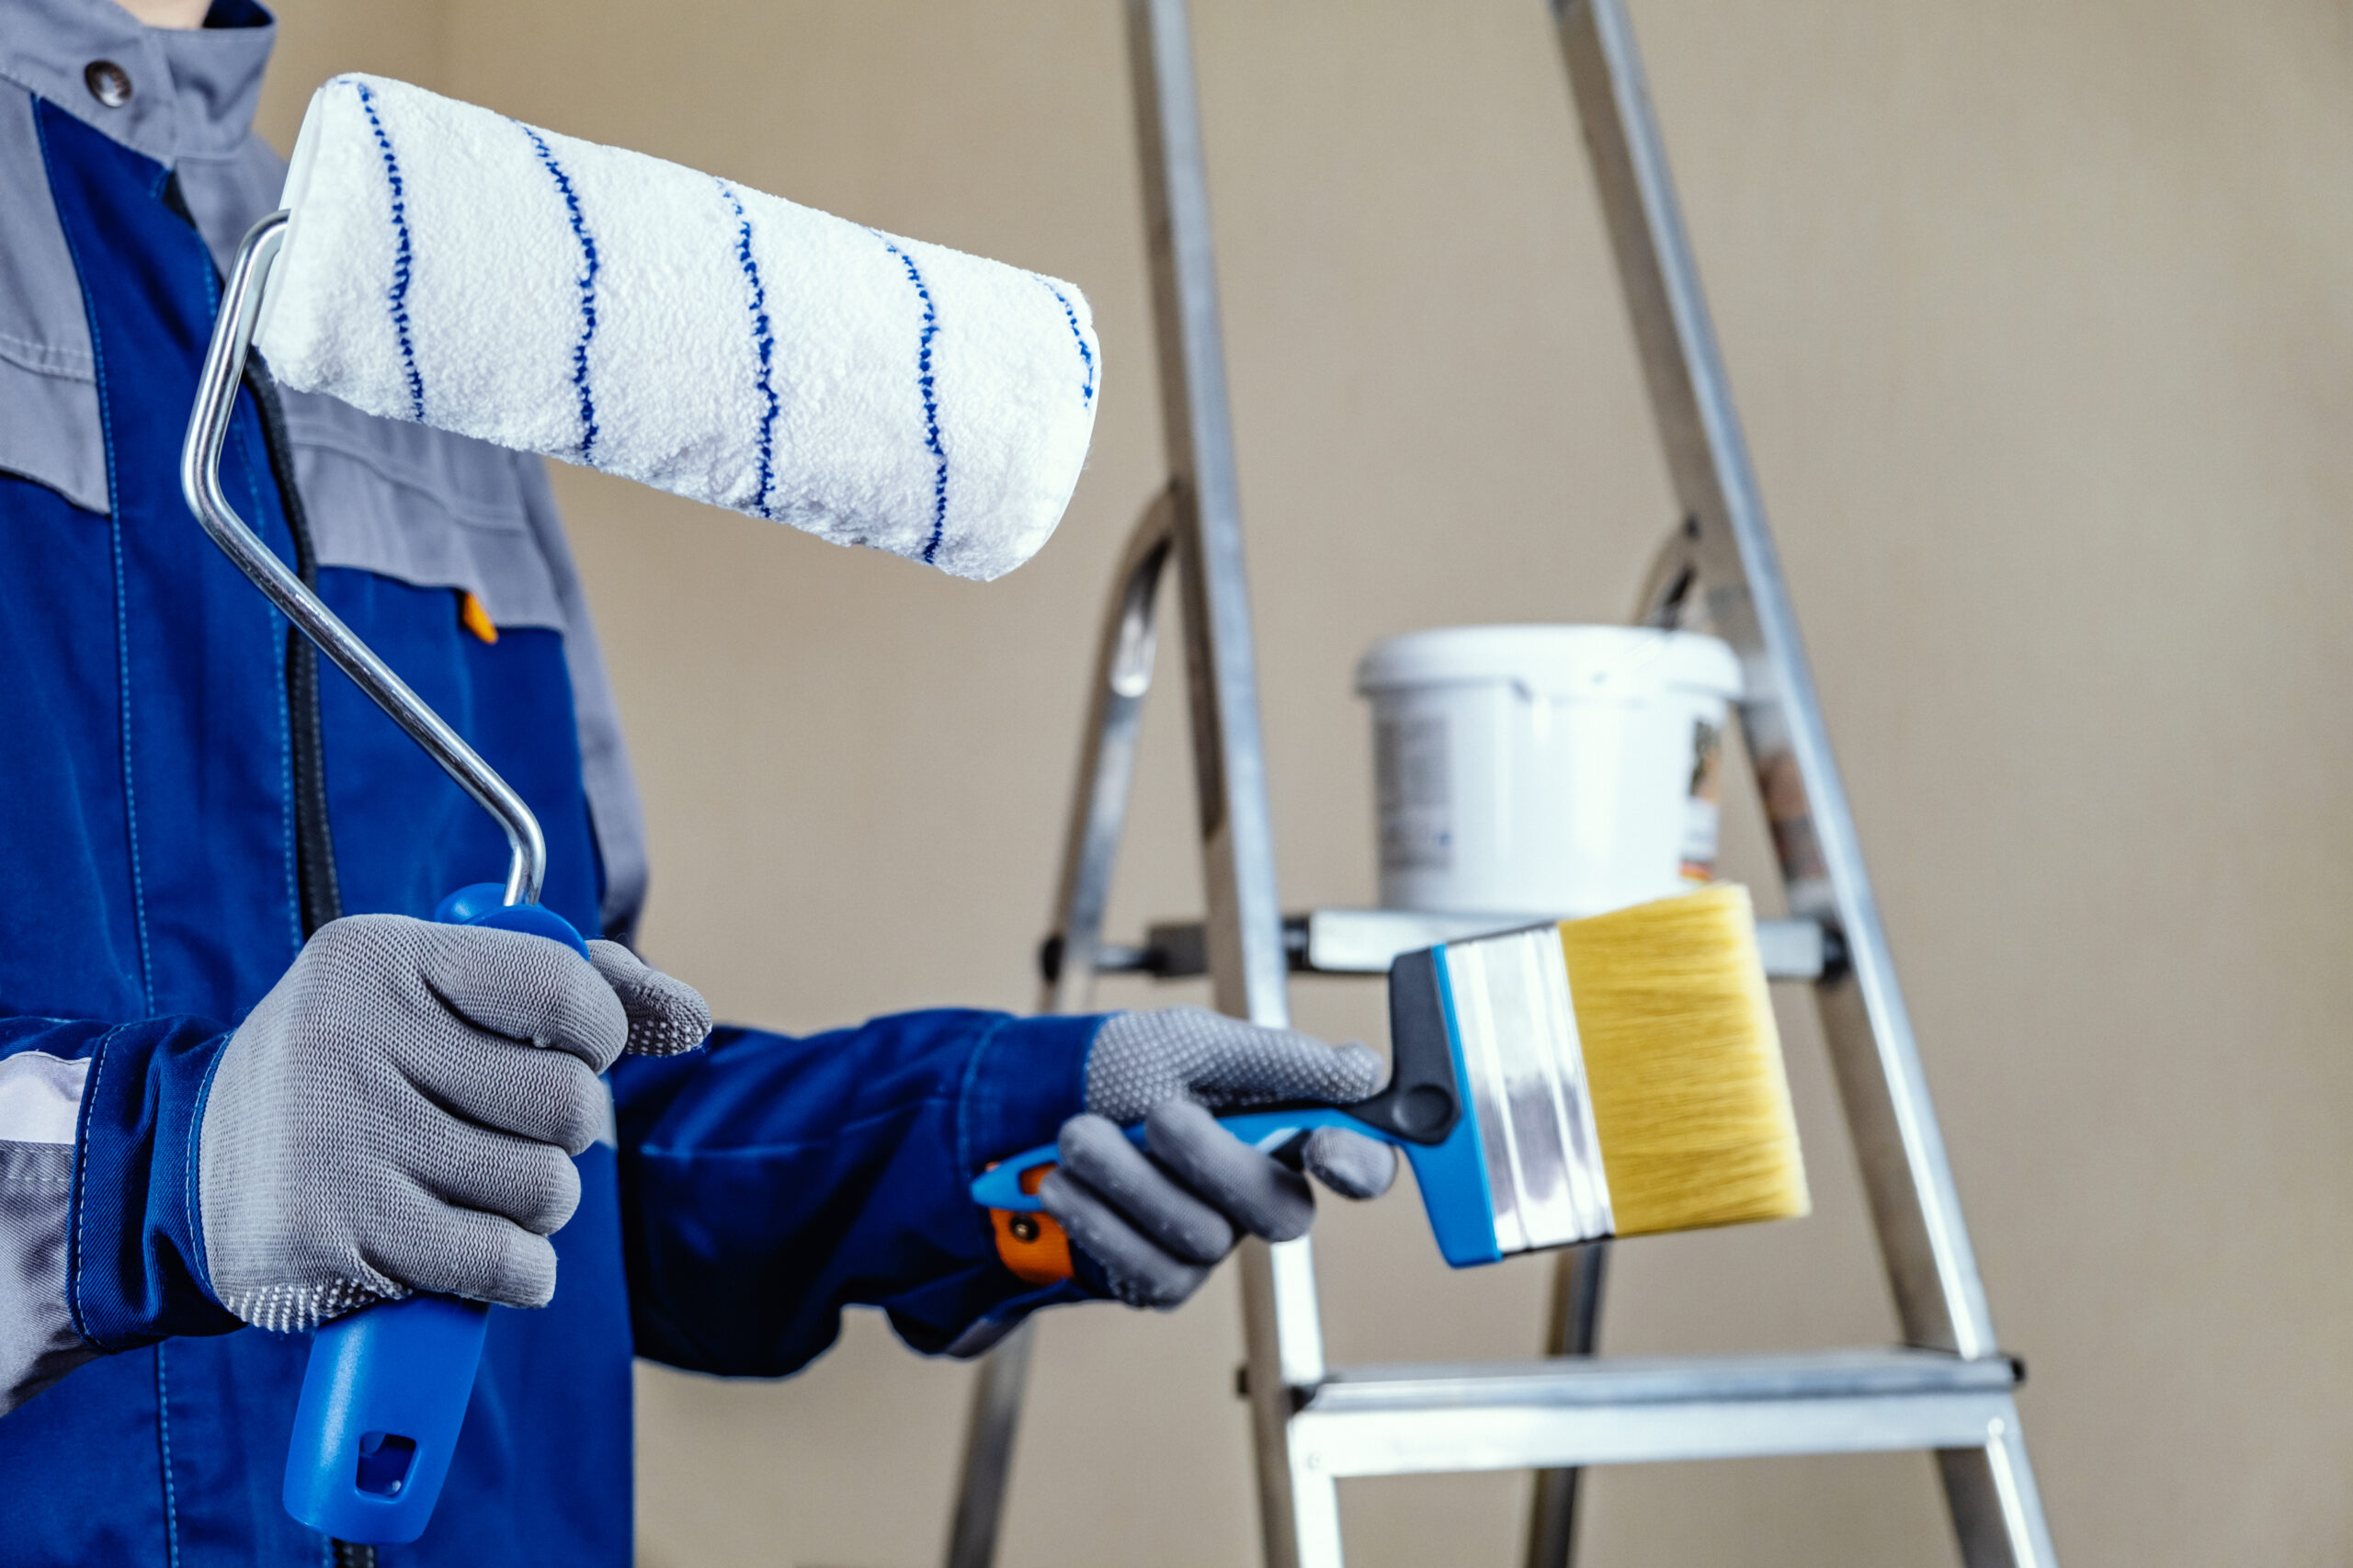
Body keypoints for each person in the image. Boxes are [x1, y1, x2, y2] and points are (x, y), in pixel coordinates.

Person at [0, 0, 1397, 1561]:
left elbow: (580, 1153)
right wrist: (162, 1171)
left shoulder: (396, 295)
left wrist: (990, 1129)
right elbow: (245, 1157)